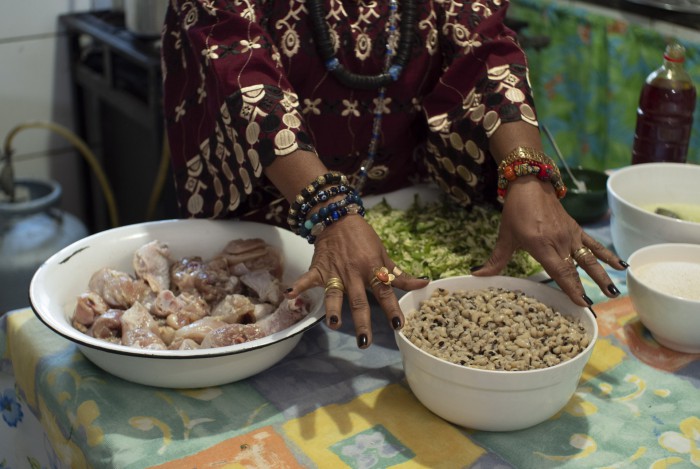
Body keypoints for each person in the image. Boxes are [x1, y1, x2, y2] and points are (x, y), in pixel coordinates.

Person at [161, 0, 626, 349]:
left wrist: (526, 174)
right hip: (274, 236)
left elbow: (485, 46)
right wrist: (331, 211)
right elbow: (240, 71)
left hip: (403, 207)